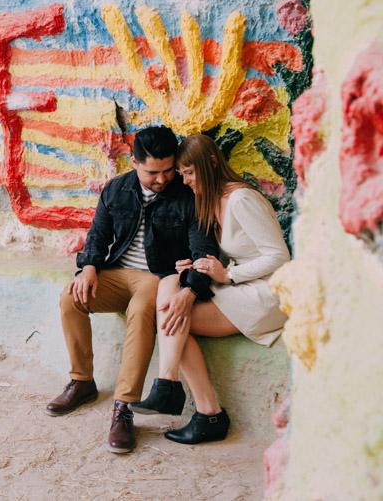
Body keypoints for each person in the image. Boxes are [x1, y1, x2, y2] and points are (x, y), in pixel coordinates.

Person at [45, 126, 219, 454]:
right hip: (115, 274)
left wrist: (191, 287)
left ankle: (124, 408)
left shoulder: (187, 197)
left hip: (159, 278)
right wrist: (89, 267)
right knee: (70, 296)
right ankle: (82, 381)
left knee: (141, 310)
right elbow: (97, 236)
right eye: (154, 172)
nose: (164, 178)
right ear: (135, 161)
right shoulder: (115, 190)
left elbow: (204, 252)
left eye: (169, 169)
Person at [129, 133, 290, 444]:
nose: (185, 181)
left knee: (171, 317)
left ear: (212, 163)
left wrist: (227, 275)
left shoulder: (242, 199)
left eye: (190, 172)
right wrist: (197, 268)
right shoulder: (212, 200)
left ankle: (201, 409)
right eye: (182, 173)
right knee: (171, 284)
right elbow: (232, 255)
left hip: (269, 293)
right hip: (245, 285)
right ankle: (171, 388)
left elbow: (278, 256)